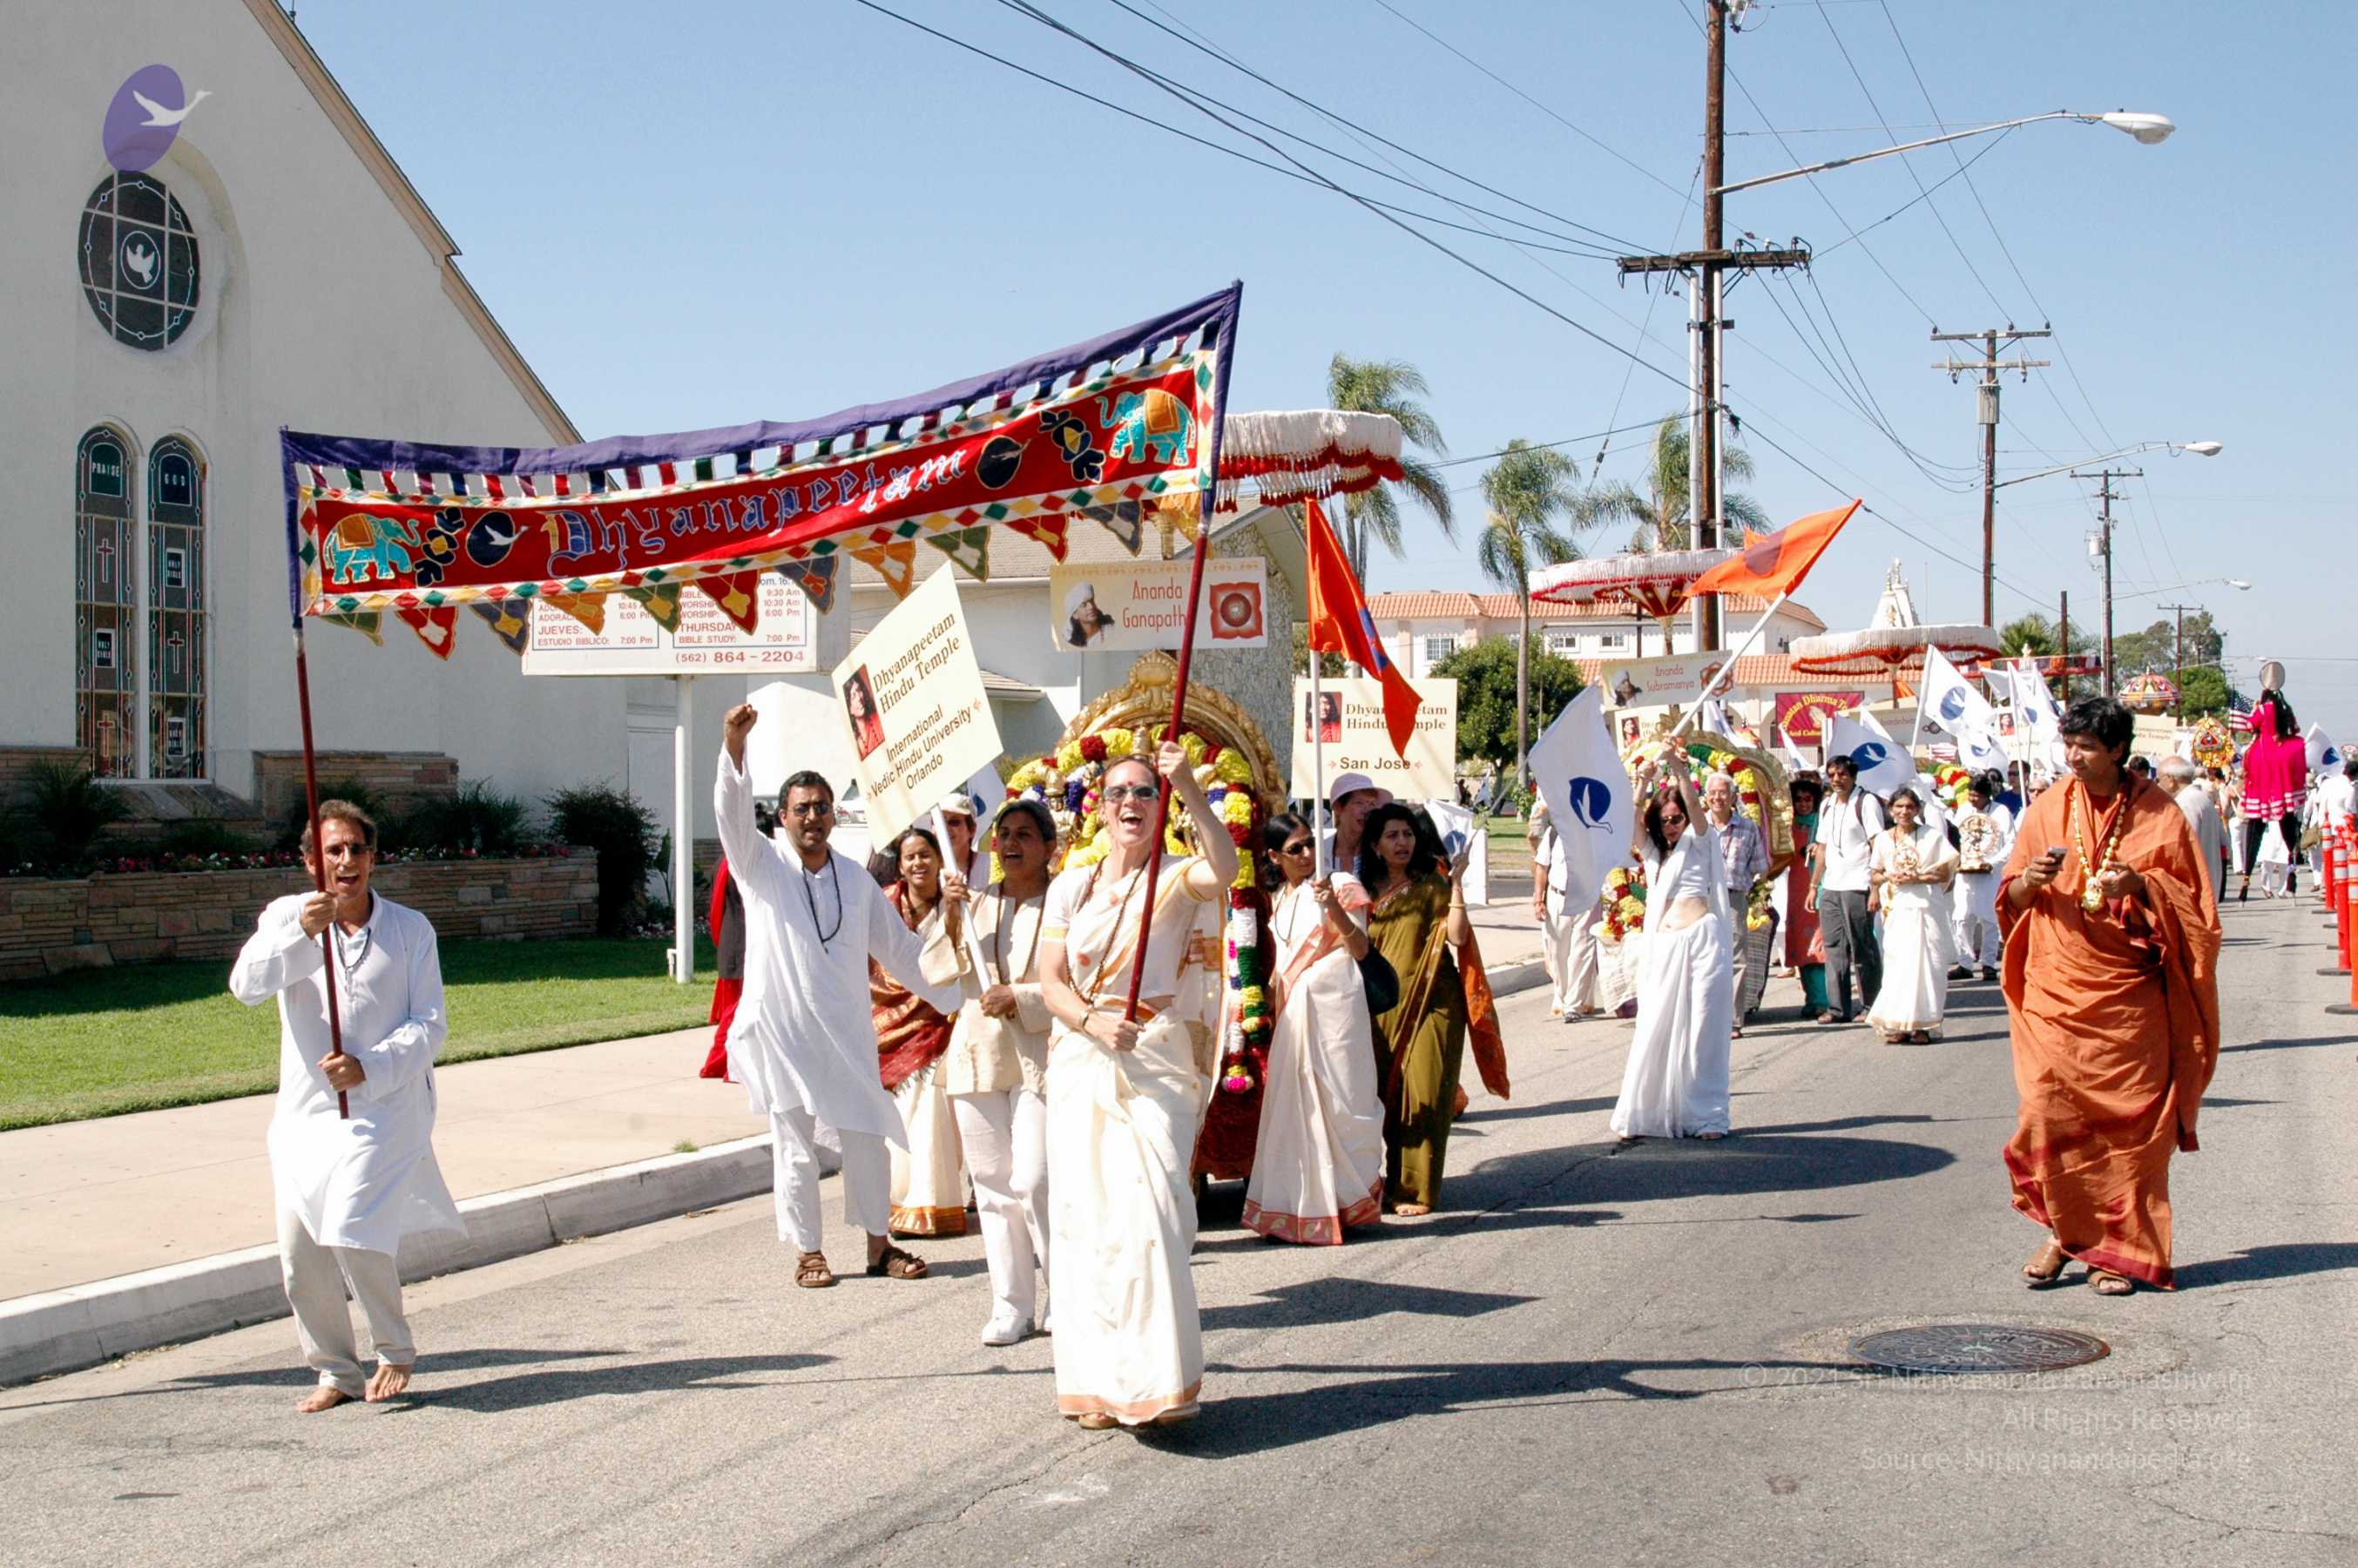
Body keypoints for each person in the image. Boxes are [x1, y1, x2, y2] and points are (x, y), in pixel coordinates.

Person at [715, 703, 959, 1289]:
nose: (813, 818)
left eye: (822, 808)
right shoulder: (760, 865)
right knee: (794, 1149)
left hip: (847, 1033)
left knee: (868, 1139)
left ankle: (879, 1245)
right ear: (782, 817)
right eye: (802, 809)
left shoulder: (854, 877)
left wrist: (959, 996)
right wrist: (734, 748)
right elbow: (727, 813)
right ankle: (808, 1251)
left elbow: (901, 950)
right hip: (783, 1034)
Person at [228, 800, 461, 1411]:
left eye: (357, 848)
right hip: (306, 1117)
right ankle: (336, 1370)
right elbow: (246, 985)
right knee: (300, 1258)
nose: (347, 861)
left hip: (384, 1108)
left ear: (373, 856)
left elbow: (429, 1024)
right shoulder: (287, 916)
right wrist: (303, 933)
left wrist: (370, 1066)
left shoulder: (410, 930)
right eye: (333, 850)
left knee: (353, 1226)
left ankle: (393, 1348)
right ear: (310, 861)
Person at [1037, 741, 1238, 1430]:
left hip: (1155, 1060)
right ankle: (1098, 1385)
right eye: (1119, 792)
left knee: (1152, 1215)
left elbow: (1226, 867)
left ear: (1161, 807)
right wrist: (1091, 1021)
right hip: (1083, 1060)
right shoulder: (1074, 886)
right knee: (1089, 1225)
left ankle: (1158, 1381)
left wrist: (1186, 782)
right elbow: (1050, 980)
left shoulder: (1177, 878)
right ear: (1098, 804)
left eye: (1145, 793)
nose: (1131, 803)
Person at [2002, 695, 2220, 1295]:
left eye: (2086, 748)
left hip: (2128, 1003)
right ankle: (2062, 1232)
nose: (2073, 757)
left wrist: (2143, 887)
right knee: (2046, 1111)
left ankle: (2114, 1255)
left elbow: (2196, 913)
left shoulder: (2160, 815)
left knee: (2126, 1130)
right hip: (2056, 989)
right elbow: (2011, 900)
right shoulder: (2046, 808)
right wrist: (2027, 883)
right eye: (2067, 745)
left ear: (2118, 750)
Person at [935, 798, 1058, 1345]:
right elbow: (936, 970)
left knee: (1036, 1180)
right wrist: (952, 912)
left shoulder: (1067, 903)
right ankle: (1012, 1303)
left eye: (1025, 834)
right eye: (1003, 833)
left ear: (1050, 846)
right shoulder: (975, 902)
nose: (1010, 843)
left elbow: (1086, 980)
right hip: (979, 1055)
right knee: (991, 1185)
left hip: (1045, 1055)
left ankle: (1065, 1291)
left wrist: (1024, 998)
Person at [1242, 814, 1386, 1244]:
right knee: (1296, 1109)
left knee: (1344, 1103)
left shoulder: (1340, 884)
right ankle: (1299, 1208)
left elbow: (1360, 948)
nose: (1307, 855)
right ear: (1273, 857)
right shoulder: (1279, 900)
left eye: (1309, 844)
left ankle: (1349, 1202)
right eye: (1295, 849)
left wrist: (1334, 909)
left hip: (1337, 1011)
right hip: (1295, 1015)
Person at [1361, 802, 1479, 1214]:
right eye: (1392, 836)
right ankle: (1383, 1181)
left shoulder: (1432, 886)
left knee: (1423, 1094)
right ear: (1375, 845)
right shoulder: (1362, 889)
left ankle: (1415, 1190)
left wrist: (1458, 884)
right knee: (1385, 1099)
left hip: (1434, 1003)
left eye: (1408, 834)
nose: (1402, 843)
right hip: (1380, 1008)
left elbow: (1458, 938)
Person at [1611, 751, 1733, 1140]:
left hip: (1701, 939)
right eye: (1664, 821)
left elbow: (1696, 808)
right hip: (1664, 946)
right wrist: (1643, 782)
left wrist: (1678, 770)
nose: (1671, 826)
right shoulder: (1654, 852)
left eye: (1676, 819)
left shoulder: (1700, 839)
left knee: (1702, 1029)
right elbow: (1632, 828)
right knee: (1655, 1028)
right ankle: (1646, 1112)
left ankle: (1707, 1116)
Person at [874, 826, 969, 1240]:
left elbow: (955, 960)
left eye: (926, 855)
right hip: (887, 1025)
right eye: (910, 857)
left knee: (930, 1111)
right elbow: (876, 965)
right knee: (898, 1119)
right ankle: (895, 1199)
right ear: (900, 864)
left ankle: (930, 1203)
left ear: (939, 860)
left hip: (940, 1026)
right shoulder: (883, 905)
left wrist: (950, 910)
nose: (918, 863)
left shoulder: (957, 904)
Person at [1865, 787, 1960, 1044]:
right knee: (1899, 967)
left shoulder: (1931, 836)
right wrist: (1888, 877)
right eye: (1899, 807)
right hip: (1897, 910)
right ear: (1891, 810)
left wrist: (1918, 877)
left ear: (1917, 810)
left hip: (1927, 908)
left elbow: (1946, 871)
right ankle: (1899, 1024)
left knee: (1929, 966)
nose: (1904, 812)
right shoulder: (1884, 839)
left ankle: (1924, 1026)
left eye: (1909, 807)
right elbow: (1874, 873)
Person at [1807, 753, 1887, 1024]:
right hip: (1832, 885)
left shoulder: (1866, 803)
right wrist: (1813, 885)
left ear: (1853, 775)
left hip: (1859, 883)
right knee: (1833, 947)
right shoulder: (1827, 804)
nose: (1837, 779)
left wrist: (1876, 887)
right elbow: (1822, 848)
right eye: (1832, 775)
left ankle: (1871, 1004)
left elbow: (1878, 845)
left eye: (1842, 774)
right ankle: (1838, 1008)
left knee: (1862, 945)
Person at [700, 801, 774, 1079]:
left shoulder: (728, 860)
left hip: (733, 945)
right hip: (742, 947)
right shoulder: (743, 864)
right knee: (737, 1012)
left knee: (742, 1010)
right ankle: (722, 1064)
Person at [1702, 771, 1771, 1036]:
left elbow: (1760, 866)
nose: (1718, 798)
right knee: (1703, 956)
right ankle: (1706, 1017)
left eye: (1723, 792)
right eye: (1713, 793)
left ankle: (1732, 1021)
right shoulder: (1698, 827)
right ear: (1706, 797)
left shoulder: (1748, 827)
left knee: (1736, 958)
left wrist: (1755, 892)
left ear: (1733, 797)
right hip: (1702, 898)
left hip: (1734, 897)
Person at [1530, 799, 1604, 1023]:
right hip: (1557, 897)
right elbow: (1542, 867)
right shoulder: (1554, 834)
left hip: (1586, 899)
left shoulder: (1596, 835)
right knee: (1557, 951)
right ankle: (1562, 996)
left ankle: (1574, 1004)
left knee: (1583, 951)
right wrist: (1538, 900)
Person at [2236, 689, 2306, 902]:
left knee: (2255, 825)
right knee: (2288, 821)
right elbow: (2294, 728)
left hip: (2263, 758)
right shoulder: (2285, 708)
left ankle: (2246, 878)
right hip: (2282, 758)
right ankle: (2292, 865)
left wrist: (2258, 709)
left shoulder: (2263, 709)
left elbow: (2249, 726)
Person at [1949, 775, 2012, 983]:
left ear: (1987, 796)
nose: (1973, 799)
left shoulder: (2001, 812)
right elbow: (1955, 839)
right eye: (1971, 795)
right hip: (1965, 873)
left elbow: (2010, 843)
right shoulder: (1964, 810)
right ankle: (1965, 963)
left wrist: (1992, 863)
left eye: (1977, 796)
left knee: (1989, 919)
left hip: (1990, 874)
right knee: (1962, 917)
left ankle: (1987, 964)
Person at [1784, 774, 1828, 1017]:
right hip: (1796, 891)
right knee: (1802, 946)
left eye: (1808, 799)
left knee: (1818, 946)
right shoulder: (1786, 825)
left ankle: (1824, 999)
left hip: (1818, 888)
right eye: (1798, 799)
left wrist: (1821, 848)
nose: (1803, 804)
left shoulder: (1823, 826)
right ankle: (1812, 999)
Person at [2158, 756, 2231, 902]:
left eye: (2159, 780)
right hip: (2207, 885)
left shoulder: (2185, 804)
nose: (2158, 785)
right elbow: (2225, 843)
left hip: (2193, 889)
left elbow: (2183, 850)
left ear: (2170, 779)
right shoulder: (2202, 799)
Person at [1321, 770, 1391, 873]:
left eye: (1372, 804)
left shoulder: (1381, 852)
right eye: (1359, 803)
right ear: (1338, 807)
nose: (1367, 810)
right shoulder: (1319, 853)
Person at [842, 668, 887, 760]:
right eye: (853, 696)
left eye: (858, 690)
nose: (859, 697)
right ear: (849, 709)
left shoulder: (878, 720)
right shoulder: (853, 746)